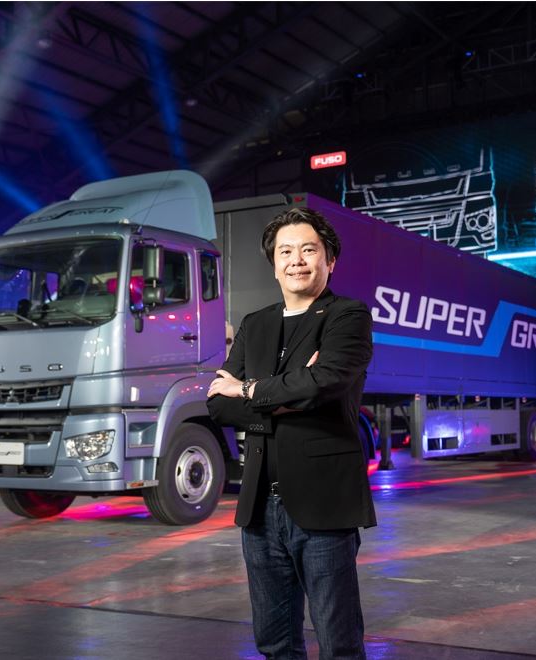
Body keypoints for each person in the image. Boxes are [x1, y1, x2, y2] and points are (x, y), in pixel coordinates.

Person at [207, 207, 376, 660]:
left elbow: (324, 382)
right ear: (274, 264)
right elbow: (218, 404)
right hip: (260, 507)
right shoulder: (255, 324)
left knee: (339, 642)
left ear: (330, 260)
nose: (296, 260)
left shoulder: (347, 316)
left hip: (324, 506)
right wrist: (290, 394)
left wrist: (249, 389)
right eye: (285, 252)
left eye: (308, 250)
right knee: (274, 641)